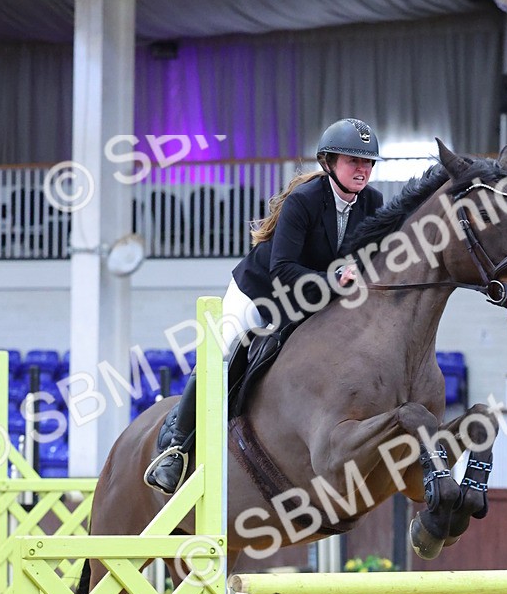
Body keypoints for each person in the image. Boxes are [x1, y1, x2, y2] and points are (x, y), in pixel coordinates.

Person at [144, 118, 384, 495]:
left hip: (315, 299)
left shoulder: (372, 202)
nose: (362, 169)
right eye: (352, 160)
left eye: (368, 162)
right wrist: (333, 281)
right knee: (221, 357)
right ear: (328, 163)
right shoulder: (303, 202)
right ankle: (175, 447)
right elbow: (282, 268)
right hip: (261, 291)